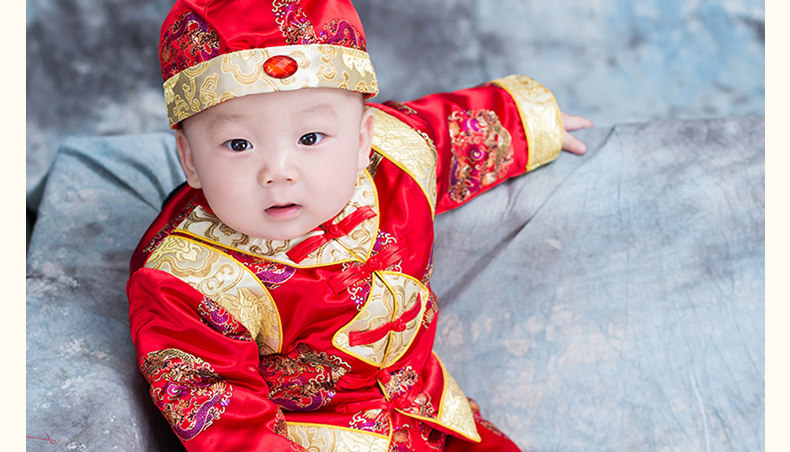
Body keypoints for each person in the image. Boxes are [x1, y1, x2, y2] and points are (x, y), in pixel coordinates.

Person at [127, 0, 593, 450]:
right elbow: (221, 411)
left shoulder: (397, 160)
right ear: (190, 159)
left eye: (311, 138)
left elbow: (453, 130)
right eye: (238, 145)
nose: (278, 171)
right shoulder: (187, 281)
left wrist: (531, 122)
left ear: (362, 139)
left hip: (431, 413)